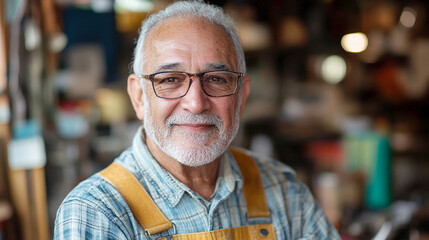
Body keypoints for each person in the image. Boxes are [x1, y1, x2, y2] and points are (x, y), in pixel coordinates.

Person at [54, 1, 341, 239]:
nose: (195, 103)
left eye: (216, 79)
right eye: (169, 80)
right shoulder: (98, 212)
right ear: (139, 97)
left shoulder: (282, 190)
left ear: (241, 96)